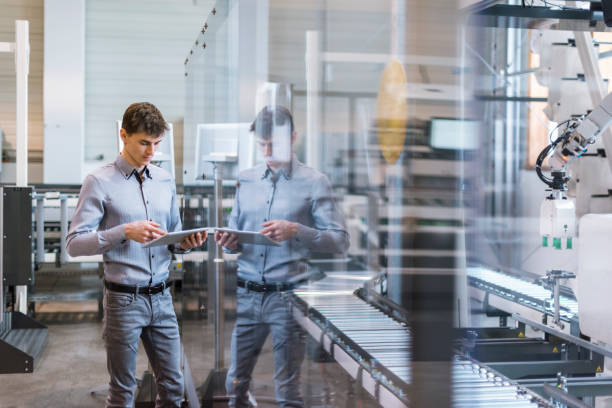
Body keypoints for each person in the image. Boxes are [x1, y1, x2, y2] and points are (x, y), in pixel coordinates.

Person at [67, 102, 206, 408]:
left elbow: (171, 237)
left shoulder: (165, 180)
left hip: (162, 298)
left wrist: (185, 243)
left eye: (156, 144)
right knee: (122, 392)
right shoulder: (99, 181)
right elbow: (74, 244)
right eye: (144, 142)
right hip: (123, 300)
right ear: (123, 135)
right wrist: (123, 232)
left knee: (173, 386)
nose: (151, 152)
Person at [215, 105, 349, 407]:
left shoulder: (315, 182)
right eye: (261, 144)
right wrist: (228, 241)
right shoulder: (246, 180)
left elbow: (340, 241)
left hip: (287, 300)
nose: (267, 150)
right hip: (247, 295)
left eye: (273, 143)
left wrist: (296, 230)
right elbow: (233, 234)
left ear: (293, 137)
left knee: (287, 391)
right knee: (234, 383)